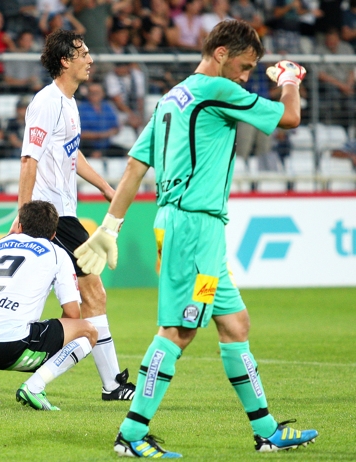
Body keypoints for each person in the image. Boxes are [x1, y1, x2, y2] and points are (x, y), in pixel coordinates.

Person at [74, 20, 319, 457]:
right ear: (221, 53)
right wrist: (289, 80)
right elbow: (290, 117)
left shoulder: (173, 98)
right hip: (193, 228)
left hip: (193, 228)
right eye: (244, 66)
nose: (246, 77)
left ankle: (266, 432)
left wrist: (111, 226)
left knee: (234, 323)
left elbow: (134, 167)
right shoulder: (215, 91)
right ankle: (130, 436)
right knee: (179, 329)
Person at [9, 29, 136, 402]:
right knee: (93, 290)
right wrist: (24, 215)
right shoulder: (47, 102)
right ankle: (112, 384)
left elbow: (70, 154)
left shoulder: (69, 102)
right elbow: (29, 158)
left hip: (60, 212)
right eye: (83, 53)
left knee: (23, 290)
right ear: (65, 60)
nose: (90, 60)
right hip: (52, 215)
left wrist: (104, 187)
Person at [0, 200, 98, 410]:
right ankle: (34, 387)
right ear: (54, 234)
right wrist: (53, 335)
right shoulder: (57, 253)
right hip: (9, 349)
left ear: (19, 226)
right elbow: (72, 313)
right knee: (88, 332)